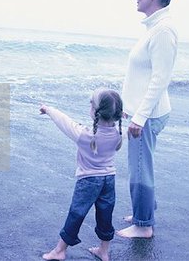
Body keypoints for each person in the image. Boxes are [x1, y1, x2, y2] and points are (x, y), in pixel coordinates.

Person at [116, 0, 178, 238]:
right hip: (145, 112)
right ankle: (145, 210)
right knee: (141, 165)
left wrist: (139, 117)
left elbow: (160, 79)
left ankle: (143, 225)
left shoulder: (163, 30)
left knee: (140, 169)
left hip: (148, 115)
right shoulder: (154, 28)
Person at [40, 88, 123, 261]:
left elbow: (64, 121)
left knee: (77, 214)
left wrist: (48, 109)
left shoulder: (84, 134)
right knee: (105, 214)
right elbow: (133, 129)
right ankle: (104, 251)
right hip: (109, 180)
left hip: (88, 181)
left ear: (95, 111)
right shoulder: (119, 133)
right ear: (117, 114)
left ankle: (60, 250)